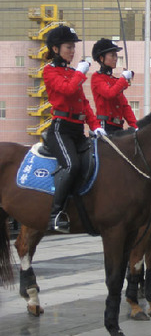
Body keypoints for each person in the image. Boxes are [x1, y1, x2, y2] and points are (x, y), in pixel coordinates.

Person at [42, 25, 104, 233]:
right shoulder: (49, 71)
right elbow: (67, 90)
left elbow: (84, 103)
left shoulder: (70, 71)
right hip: (61, 130)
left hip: (78, 129)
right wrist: (79, 74)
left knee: (98, 162)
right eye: (68, 47)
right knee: (71, 166)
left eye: (72, 47)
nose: (72, 51)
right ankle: (55, 214)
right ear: (55, 48)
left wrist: (95, 126)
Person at [90, 38, 137, 134]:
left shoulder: (114, 80)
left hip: (118, 126)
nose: (115, 58)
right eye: (112, 55)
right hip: (105, 126)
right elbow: (110, 93)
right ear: (101, 58)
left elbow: (124, 106)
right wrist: (123, 78)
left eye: (116, 55)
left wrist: (135, 125)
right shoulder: (97, 78)